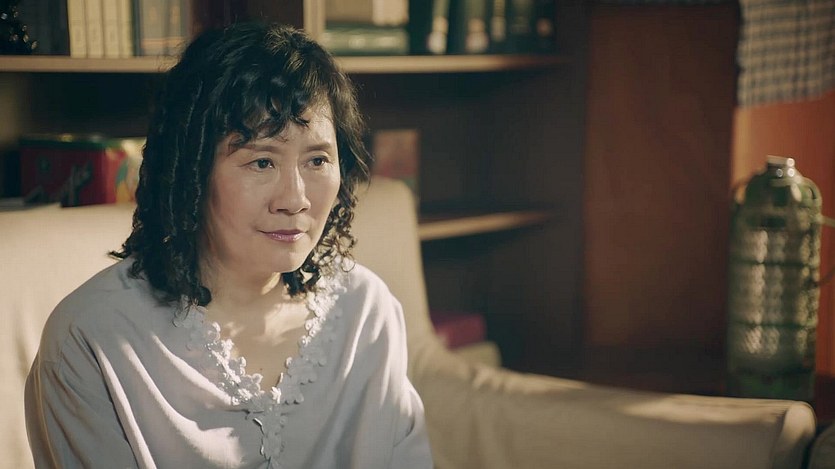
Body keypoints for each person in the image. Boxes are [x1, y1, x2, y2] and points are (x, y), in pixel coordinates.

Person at [24, 22, 433, 468]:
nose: (294, 199)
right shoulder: (91, 336)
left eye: (317, 160)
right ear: (191, 170)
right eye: (262, 162)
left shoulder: (366, 312)